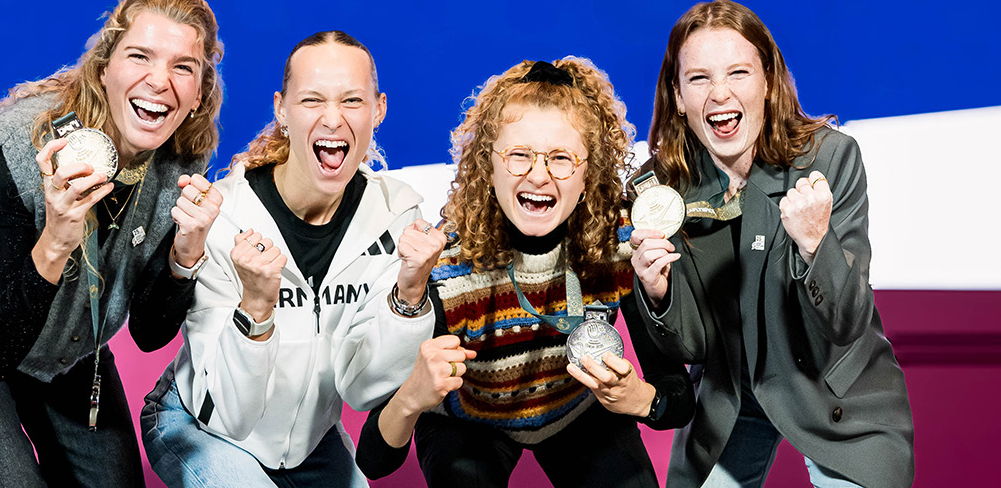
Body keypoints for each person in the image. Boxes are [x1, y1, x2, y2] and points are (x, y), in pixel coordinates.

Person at [0, 0, 224, 486]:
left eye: (183, 67)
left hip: (66, 340)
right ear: (104, 67)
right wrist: (56, 240)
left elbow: (149, 335)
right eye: (140, 56)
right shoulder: (21, 144)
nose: (159, 81)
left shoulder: (182, 162)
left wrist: (184, 255)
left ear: (198, 92)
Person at [355, 57, 696, 488]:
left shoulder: (619, 245)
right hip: (469, 422)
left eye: (562, 158)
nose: (539, 175)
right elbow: (373, 459)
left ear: (590, 172)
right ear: (488, 165)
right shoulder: (446, 266)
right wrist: (410, 398)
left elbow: (676, 399)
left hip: (574, 408)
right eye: (518, 155)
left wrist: (640, 400)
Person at [140, 30, 445, 488]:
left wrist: (410, 295)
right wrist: (257, 311)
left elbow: (365, 391)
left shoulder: (397, 217)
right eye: (312, 101)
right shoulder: (223, 216)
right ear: (282, 108)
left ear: (378, 109)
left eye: (352, 101)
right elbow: (232, 416)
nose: (333, 118)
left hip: (311, 440)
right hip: (202, 422)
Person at [631, 2, 914, 487]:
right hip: (732, 397)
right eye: (698, 79)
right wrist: (659, 294)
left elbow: (846, 322)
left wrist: (814, 245)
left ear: (767, 81)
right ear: (677, 96)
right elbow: (692, 346)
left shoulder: (831, 157)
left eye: (738, 73)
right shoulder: (659, 190)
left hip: (832, 392)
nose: (720, 93)